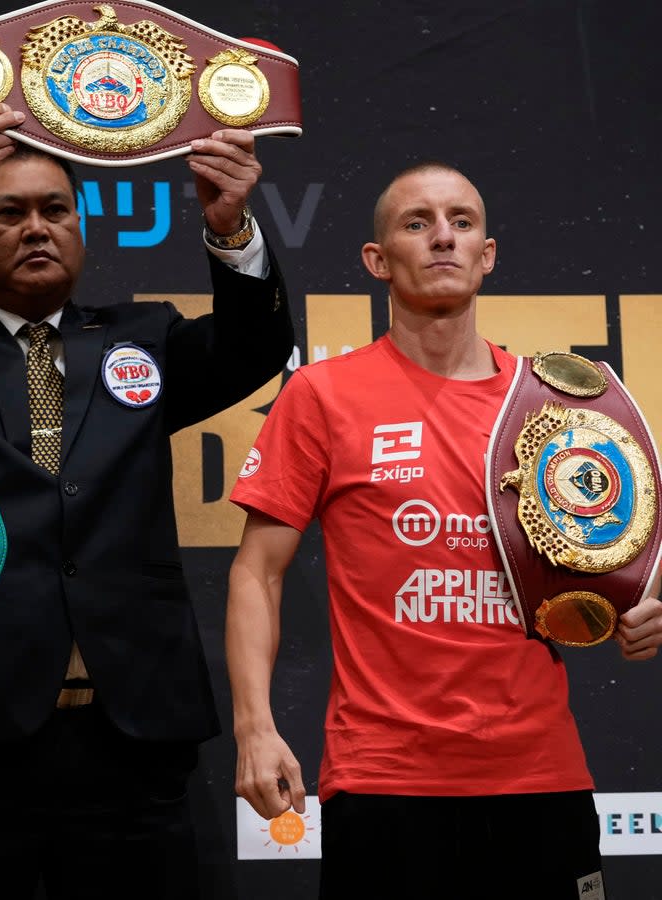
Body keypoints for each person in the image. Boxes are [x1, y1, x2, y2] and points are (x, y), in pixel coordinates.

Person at [0, 102, 295, 898]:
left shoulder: (142, 339)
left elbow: (256, 348)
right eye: (8, 213)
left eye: (56, 210)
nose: (37, 227)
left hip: (135, 734)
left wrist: (231, 227)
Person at [225, 160, 662, 900]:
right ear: (377, 259)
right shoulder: (322, 396)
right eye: (416, 223)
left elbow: (617, 547)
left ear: (487, 255)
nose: (442, 239)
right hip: (385, 781)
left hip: (539, 775)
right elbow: (255, 573)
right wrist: (254, 728)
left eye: (462, 223)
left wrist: (636, 607)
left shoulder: (553, 406)